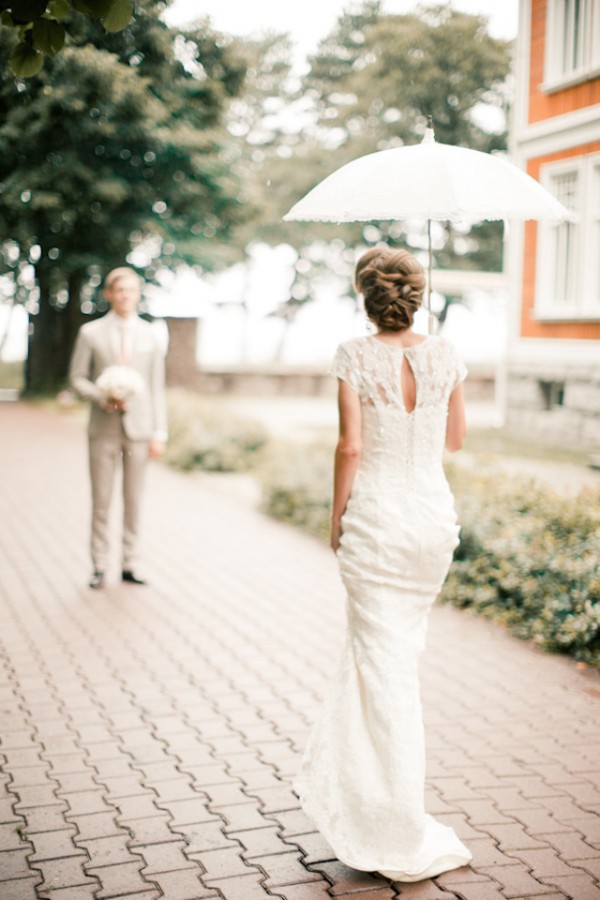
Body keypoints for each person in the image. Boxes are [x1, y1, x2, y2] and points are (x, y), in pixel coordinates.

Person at [294, 247, 472, 882]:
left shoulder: (353, 353)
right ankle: (372, 799)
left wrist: (335, 516)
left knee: (385, 669)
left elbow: (350, 445)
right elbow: (455, 440)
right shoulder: (447, 355)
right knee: (396, 662)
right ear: (416, 295)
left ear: (366, 296)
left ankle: (392, 823)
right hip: (429, 524)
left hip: (377, 522)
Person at [69, 267, 168, 590]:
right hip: (103, 427)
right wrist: (102, 395)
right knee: (102, 499)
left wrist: (159, 433)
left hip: (140, 429)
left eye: (132, 290)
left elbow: (156, 387)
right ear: (109, 294)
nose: (126, 295)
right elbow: (76, 378)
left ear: (138, 294)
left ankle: (130, 563)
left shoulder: (151, 335)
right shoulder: (90, 333)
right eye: (119, 290)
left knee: (134, 499)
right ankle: (99, 565)